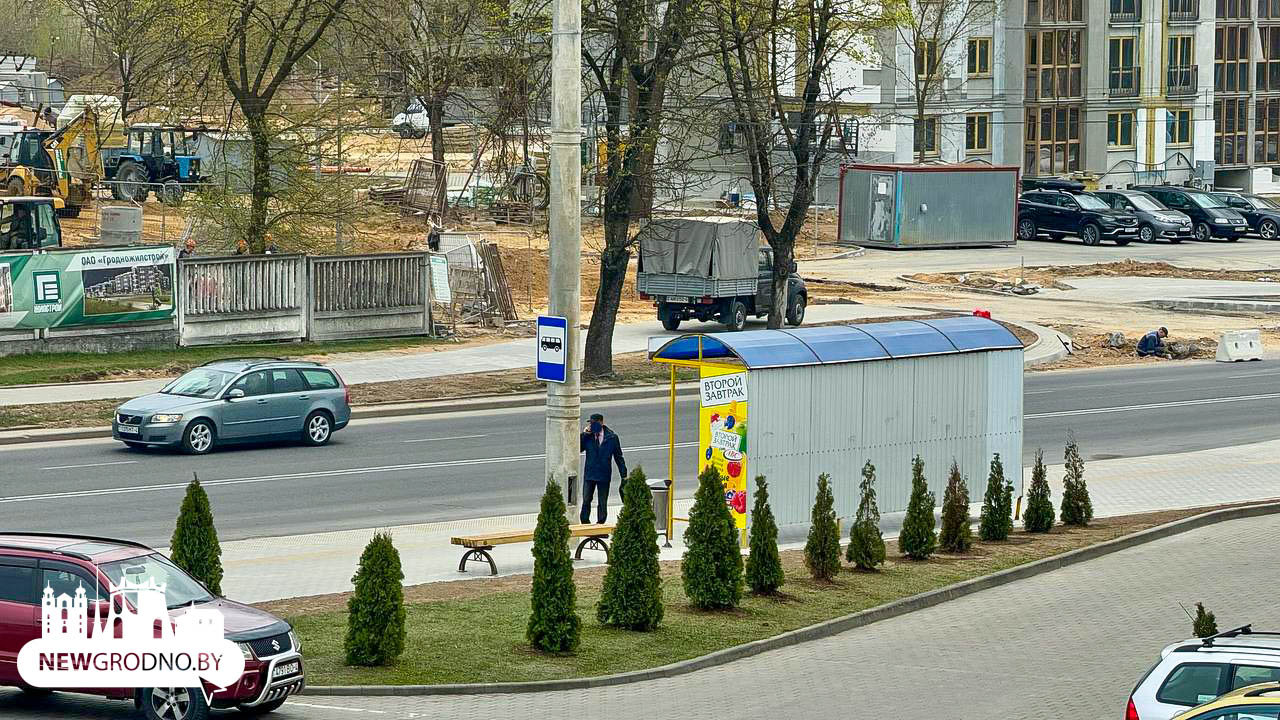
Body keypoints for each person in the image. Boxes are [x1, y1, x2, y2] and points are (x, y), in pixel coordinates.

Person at [579, 412, 627, 525]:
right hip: (590, 474)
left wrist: (624, 474)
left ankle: (600, 524)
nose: (592, 426)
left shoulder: (611, 437)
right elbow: (578, 448)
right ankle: (585, 523)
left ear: (601, 423)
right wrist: (584, 434)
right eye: (591, 424)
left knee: (602, 501)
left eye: (594, 423)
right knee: (586, 500)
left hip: (604, 475)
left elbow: (618, 457)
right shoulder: (588, 437)